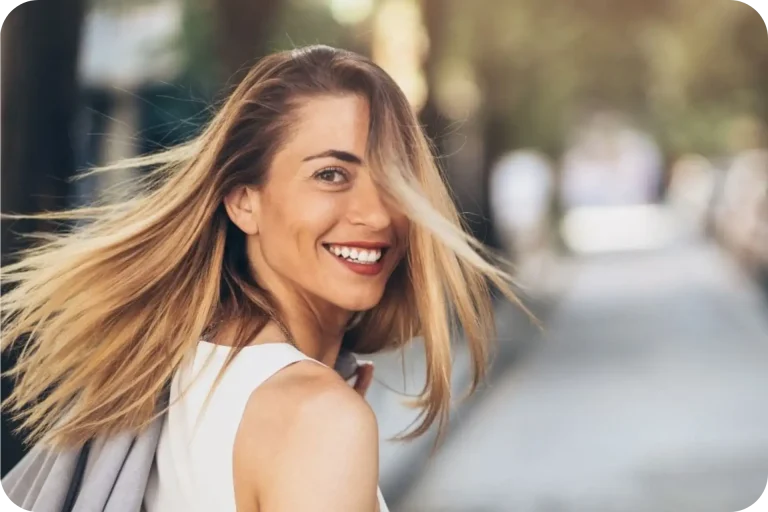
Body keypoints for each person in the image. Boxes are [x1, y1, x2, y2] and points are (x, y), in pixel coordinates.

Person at [1, 45, 522, 511]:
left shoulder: (176, 371)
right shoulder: (316, 418)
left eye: (393, 179)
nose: (378, 214)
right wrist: (324, 416)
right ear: (243, 201)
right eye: (331, 175)